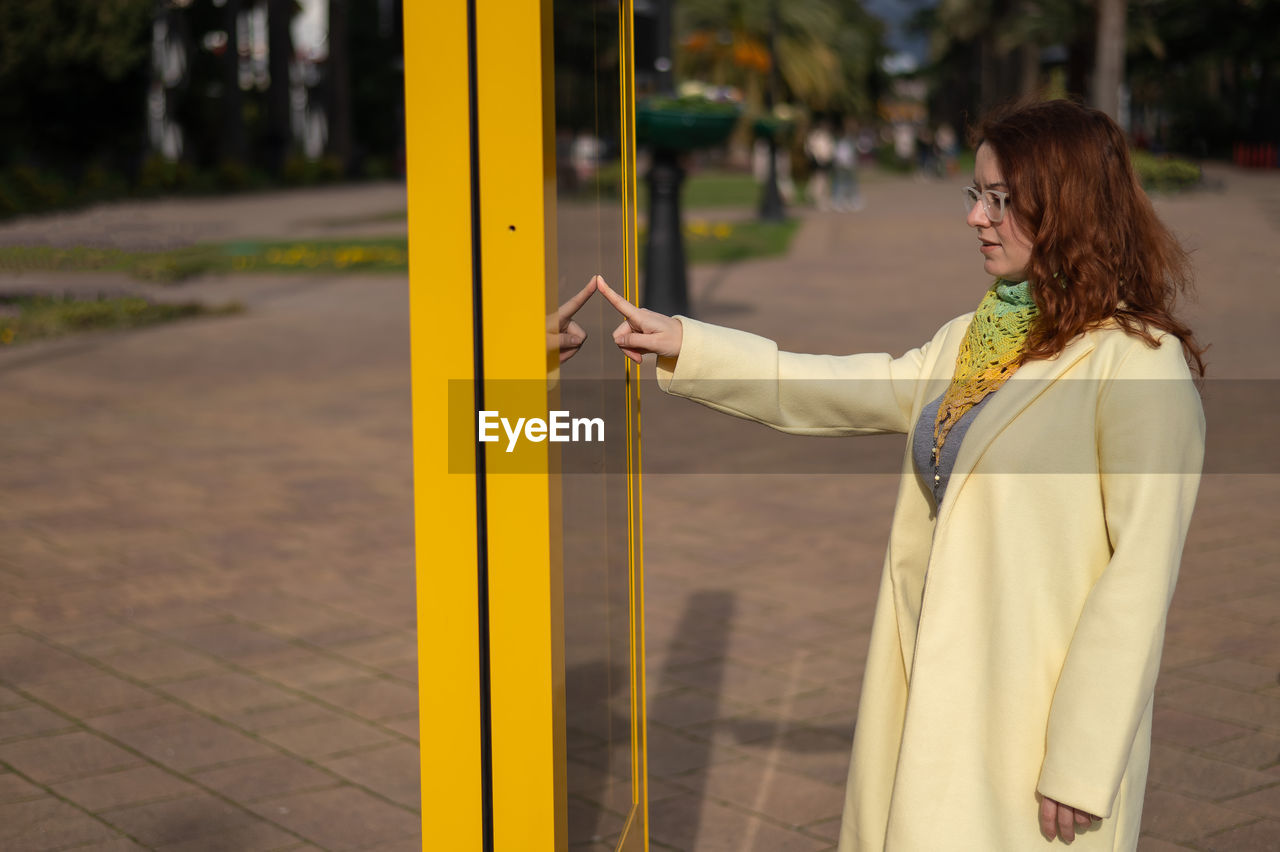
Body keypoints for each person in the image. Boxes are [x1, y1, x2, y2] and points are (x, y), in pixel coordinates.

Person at [594, 99, 1206, 850]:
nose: (977, 218)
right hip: (932, 692)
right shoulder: (974, 336)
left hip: (1034, 727)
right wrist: (685, 342)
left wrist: (1082, 759)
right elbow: (841, 386)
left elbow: (1140, 578)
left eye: (1001, 201)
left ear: (1068, 207)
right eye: (976, 195)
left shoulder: (1138, 363)